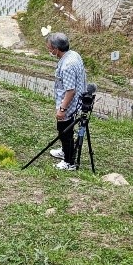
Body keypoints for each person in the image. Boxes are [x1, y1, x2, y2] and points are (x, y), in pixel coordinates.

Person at [46, 32, 87, 171]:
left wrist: (62, 109)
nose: (49, 50)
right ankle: (64, 151)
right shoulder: (73, 54)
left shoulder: (67, 65)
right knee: (64, 130)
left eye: (49, 48)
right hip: (73, 101)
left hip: (69, 104)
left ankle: (69, 161)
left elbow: (70, 91)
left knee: (65, 131)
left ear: (56, 49)